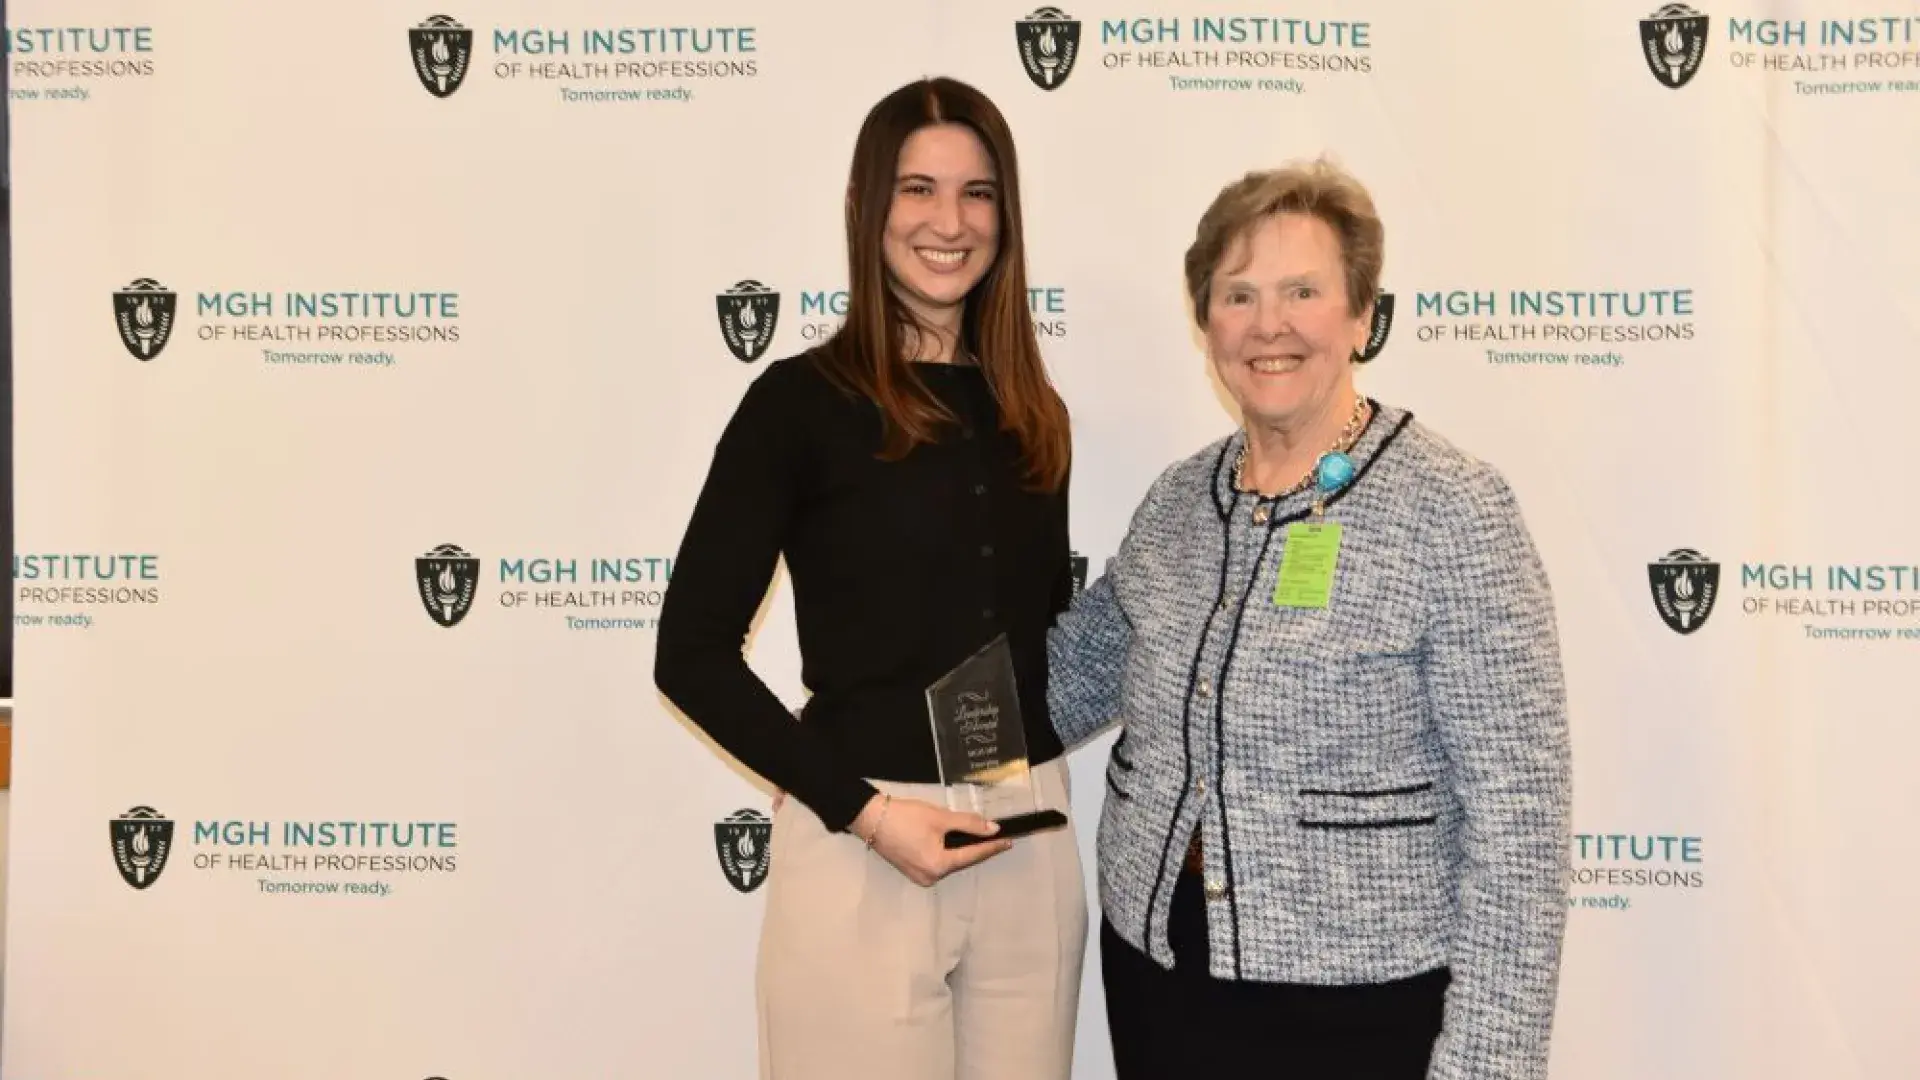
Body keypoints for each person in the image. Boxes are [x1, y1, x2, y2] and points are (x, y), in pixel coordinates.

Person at [1047, 157, 1573, 1078]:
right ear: (1206, 321)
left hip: (1360, 1011)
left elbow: (1520, 823)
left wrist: (1488, 1063)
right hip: (1160, 981)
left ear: (1362, 315)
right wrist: (859, 732)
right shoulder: (1177, 503)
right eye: (1238, 294)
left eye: (1302, 291)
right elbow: (1060, 685)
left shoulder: (1454, 508)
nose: (1269, 325)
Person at [654, 76, 1087, 1080]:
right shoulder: (797, 405)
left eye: (978, 193)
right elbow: (691, 655)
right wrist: (864, 811)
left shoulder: (1034, 414)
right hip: (861, 845)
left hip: (1023, 837)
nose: (950, 222)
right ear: (866, 207)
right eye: (917, 189)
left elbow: (1039, 647)